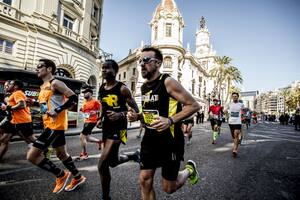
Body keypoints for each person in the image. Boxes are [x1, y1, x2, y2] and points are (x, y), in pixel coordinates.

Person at [127, 46, 200, 200]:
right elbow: (149, 112)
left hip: (170, 142)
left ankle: (188, 170)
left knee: (169, 188)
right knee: (144, 180)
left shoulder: (168, 82)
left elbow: (193, 105)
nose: (141, 64)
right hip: (150, 140)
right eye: (140, 61)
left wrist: (170, 120)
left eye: (146, 60)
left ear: (158, 63)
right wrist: (138, 116)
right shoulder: (144, 86)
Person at [27, 59, 86, 194]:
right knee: (61, 154)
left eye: (40, 66)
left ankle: (60, 174)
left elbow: (73, 98)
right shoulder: (43, 86)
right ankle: (78, 177)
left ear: (49, 69)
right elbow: (45, 106)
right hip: (49, 124)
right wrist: (33, 104)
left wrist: (58, 110)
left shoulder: (56, 83)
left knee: (32, 156)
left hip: (55, 126)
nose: (37, 69)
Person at [98, 59, 140, 200]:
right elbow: (103, 106)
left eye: (107, 68)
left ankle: (105, 197)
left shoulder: (122, 88)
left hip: (119, 127)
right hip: (107, 127)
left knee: (102, 164)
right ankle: (133, 155)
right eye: (102, 68)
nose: (104, 70)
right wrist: (100, 118)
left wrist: (120, 114)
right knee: (113, 162)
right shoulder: (102, 88)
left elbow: (135, 109)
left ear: (115, 71)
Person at [0, 80, 38, 160]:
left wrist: (8, 107)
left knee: (31, 139)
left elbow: (22, 105)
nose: (7, 86)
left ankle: (45, 149)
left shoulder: (17, 93)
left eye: (10, 84)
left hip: (22, 121)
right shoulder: (16, 94)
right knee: (4, 140)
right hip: (14, 121)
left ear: (15, 86)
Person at [76, 87, 102, 161]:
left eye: (85, 92)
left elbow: (101, 109)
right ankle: (99, 141)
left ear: (90, 93)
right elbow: (85, 111)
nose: (84, 94)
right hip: (86, 121)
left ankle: (84, 154)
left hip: (92, 121)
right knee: (87, 138)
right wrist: (82, 110)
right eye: (83, 93)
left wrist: (96, 112)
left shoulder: (95, 101)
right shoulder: (85, 102)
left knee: (81, 136)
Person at [226, 92, 244, 157]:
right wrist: (225, 111)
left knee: (236, 134)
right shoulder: (229, 104)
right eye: (233, 96)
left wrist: (242, 115)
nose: (234, 97)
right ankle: (236, 145)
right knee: (234, 137)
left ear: (238, 97)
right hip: (231, 122)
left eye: (236, 96)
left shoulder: (241, 104)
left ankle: (235, 150)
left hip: (238, 122)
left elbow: (242, 112)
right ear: (232, 97)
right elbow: (225, 110)